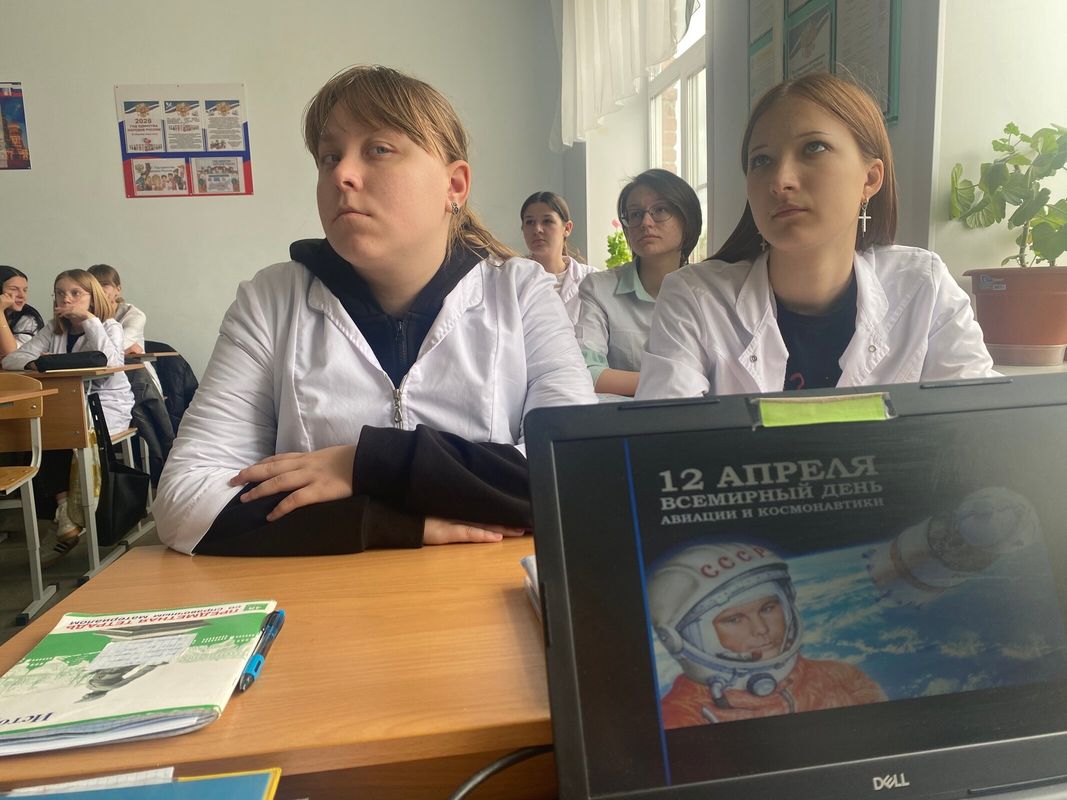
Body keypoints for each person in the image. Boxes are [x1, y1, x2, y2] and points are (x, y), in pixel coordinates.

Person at [154, 65, 595, 557]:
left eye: (379, 149)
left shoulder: (521, 291)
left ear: (454, 185)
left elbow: (579, 471)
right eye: (329, 156)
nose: (341, 174)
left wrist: (364, 464)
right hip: (322, 594)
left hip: (486, 590)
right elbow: (185, 501)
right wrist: (387, 522)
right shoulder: (271, 300)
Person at [636, 73, 995, 400]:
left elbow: (975, 422)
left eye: (813, 148)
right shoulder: (695, 298)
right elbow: (667, 440)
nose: (780, 181)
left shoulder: (923, 287)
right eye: (761, 161)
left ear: (870, 178)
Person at [648, 541, 886, 727]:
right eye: (734, 619)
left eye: (768, 608)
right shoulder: (679, 717)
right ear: (678, 639)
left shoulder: (844, 678)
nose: (761, 629)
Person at [2, 269, 133, 563]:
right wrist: (36, 363)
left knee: (66, 431)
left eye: (75, 293)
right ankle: (65, 512)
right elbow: (11, 360)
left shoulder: (109, 326)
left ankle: (69, 517)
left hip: (104, 407)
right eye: (60, 293)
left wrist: (89, 321)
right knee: (44, 432)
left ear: (92, 297)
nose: (66, 299)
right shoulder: (54, 329)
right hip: (63, 408)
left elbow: (111, 363)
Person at [575, 169, 702, 397]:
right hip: (625, 416)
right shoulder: (599, 289)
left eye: (660, 210)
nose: (645, 222)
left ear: (687, 220)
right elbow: (586, 372)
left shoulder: (708, 292)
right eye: (635, 214)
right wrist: (675, 384)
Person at [519, 191, 596, 325]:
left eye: (547, 221)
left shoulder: (591, 279)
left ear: (567, 228)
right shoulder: (514, 280)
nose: (537, 229)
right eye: (530, 222)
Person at [0, 265, 45, 357]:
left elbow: (11, 354)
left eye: (25, 290)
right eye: (14, 289)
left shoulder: (28, 319)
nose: (22, 295)